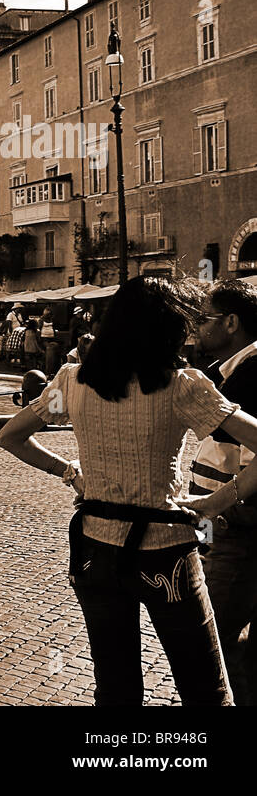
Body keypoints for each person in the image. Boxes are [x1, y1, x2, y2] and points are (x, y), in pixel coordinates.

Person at [0, 275, 257, 706]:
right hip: (164, 551)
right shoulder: (182, 387)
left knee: (115, 686)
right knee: (205, 687)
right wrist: (216, 502)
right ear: (169, 329)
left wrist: (69, 472)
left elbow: (10, 436)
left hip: (94, 548)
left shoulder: (72, 381)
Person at [188, 280, 257, 704]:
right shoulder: (229, 370)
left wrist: (216, 504)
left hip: (240, 526)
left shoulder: (253, 374)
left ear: (231, 323)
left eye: (203, 318)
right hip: (227, 524)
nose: (195, 327)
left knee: (213, 638)